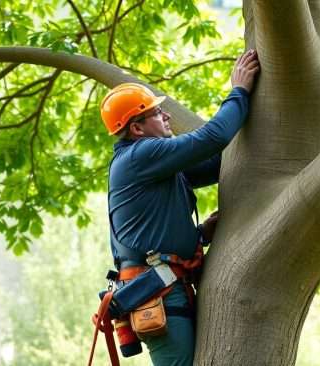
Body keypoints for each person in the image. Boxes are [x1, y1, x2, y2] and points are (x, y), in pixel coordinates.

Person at [99, 49, 259, 365]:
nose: (167, 116)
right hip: (159, 291)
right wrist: (239, 91)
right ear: (137, 128)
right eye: (157, 114)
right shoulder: (141, 156)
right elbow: (213, 138)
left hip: (169, 286)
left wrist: (199, 234)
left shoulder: (158, 167)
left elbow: (219, 164)